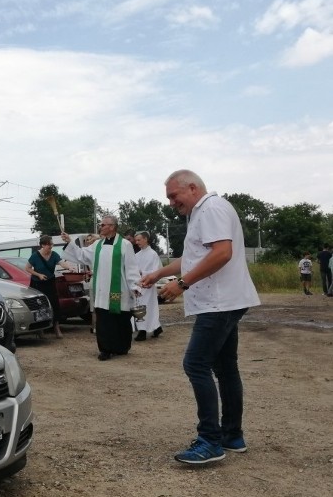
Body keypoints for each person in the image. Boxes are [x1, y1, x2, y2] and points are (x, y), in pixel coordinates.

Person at [141, 170, 260, 465]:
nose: (170, 202)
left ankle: (210, 440)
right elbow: (194, 258)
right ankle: (232, 435)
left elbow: (222, 253)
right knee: (225, 367)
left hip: (218, 303)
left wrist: (182, 284)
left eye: (173, 195)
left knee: (195, 364)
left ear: (192, 187)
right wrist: (159, 272)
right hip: (223, 301)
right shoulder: (203, 212)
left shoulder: (211, 208)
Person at [61, 215, 140, 360]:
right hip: (102, 290)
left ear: (112, 227)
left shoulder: (124, 245)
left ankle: (122, 347)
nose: (100, 227)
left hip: (120, 289)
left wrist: (135, 285)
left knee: (121, 320)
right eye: (101, 224)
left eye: (103, 224)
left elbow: (131, 267)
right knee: (104, 321)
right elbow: (81, 255)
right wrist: (70, 242)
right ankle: (105, 349)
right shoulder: (97, 245)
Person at [25, 234, 73, 339]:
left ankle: (56, 327)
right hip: (37, 283)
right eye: (48, 244)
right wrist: (39, 275)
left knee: (54, 304)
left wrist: (69, 267)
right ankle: (40, 330)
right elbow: (27, 268)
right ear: (42, 245)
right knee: (40, 306)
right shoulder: (35, 256)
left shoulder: (54, 254)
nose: (50, 246)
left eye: (51, 244)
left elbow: (61, 263)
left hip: (50, 282)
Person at [133, 231, 162, 341]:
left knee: (148, 307)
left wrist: (144, 274)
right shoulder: (137, 255)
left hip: (148, 285)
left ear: (146, 239)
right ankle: (155, 328)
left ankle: (143, 331)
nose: (137, 242)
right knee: (139, 306)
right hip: (139, 285)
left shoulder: (153, 254)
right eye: (136, 240)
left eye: (139, 240)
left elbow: (156, 270)